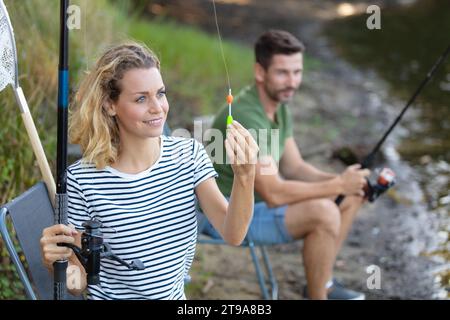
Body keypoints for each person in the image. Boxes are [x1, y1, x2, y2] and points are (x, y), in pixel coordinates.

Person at [40, 42, 258, 300]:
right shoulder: (81, 181)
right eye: (141, 98)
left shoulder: (189, 156)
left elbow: (233, 234)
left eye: (161, 93)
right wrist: (58, 264)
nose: (157, 107)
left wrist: (245, 177)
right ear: (110, 105)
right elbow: (78, 285)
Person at [202, 30, 370, 300]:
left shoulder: (278, 106)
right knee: (325, 212)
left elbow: (295, 167)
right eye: (283, 73)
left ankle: (321, 281)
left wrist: (347, 181)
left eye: (297, 72)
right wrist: (337, 184)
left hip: (260, 205)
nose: (292, 82)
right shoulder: (248, 115)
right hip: (228, 214)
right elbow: (275, 193)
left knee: (351, 196)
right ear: (260, 72)